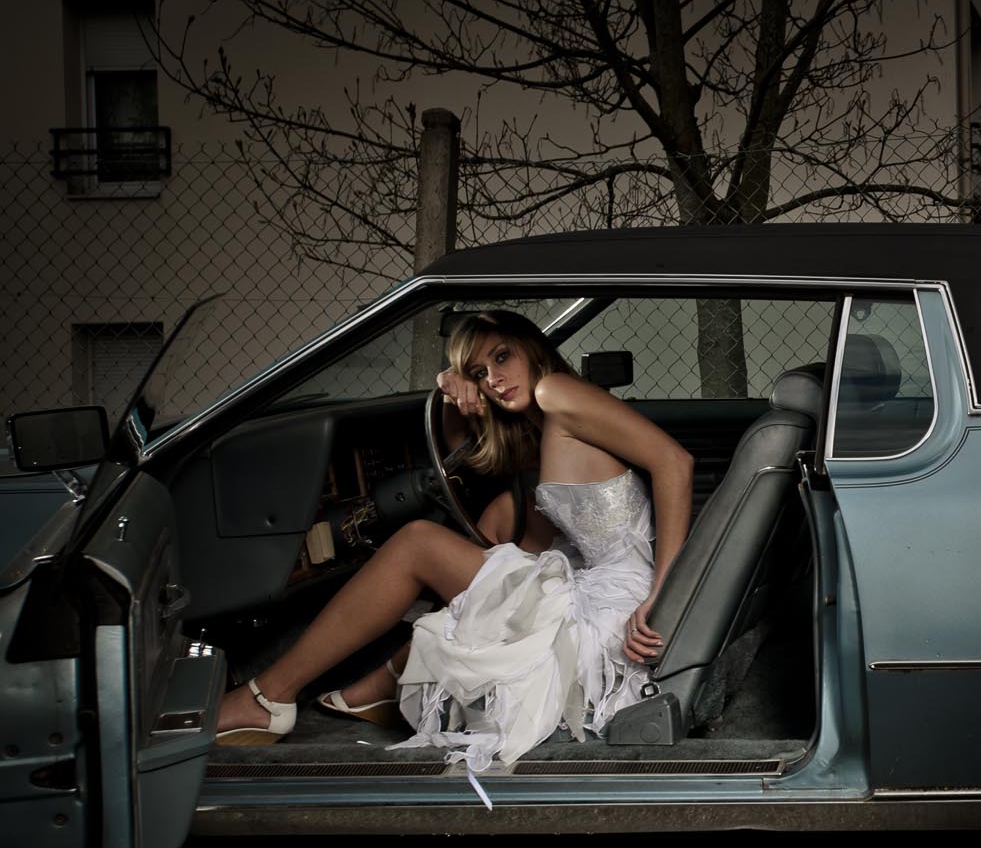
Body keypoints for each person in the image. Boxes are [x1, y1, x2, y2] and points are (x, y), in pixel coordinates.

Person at [214, 309, 695, 769]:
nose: (494, 379)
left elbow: (675, 463)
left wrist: (661, 595)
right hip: (603, 582)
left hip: (619, 600)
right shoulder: (542, 427)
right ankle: (382, 685)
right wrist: (450, 387)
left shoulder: (556, 391)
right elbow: (461, 461)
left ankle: (269, 696)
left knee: (418, 543)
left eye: (502, 357)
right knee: (501, 533)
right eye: (480, 373)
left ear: (532, 349)